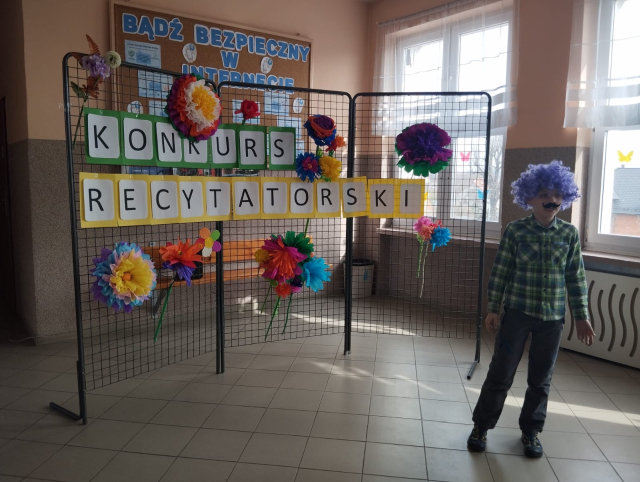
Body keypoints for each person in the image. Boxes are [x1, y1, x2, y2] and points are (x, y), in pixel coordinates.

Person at [467, 160, 595, 458]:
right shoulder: (516, 231)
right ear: (530, 198)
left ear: (565, 197)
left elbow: (576, 277)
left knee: (541, 379)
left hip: (552, 319)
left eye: (558, 195)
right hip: (517, 314)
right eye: (545, 195)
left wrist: (581, 316)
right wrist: (493, 308)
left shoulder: (569, 234)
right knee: (501, 373)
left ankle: (531, 431)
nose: (552, 200)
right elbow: (501, 271)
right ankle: (481, 426)